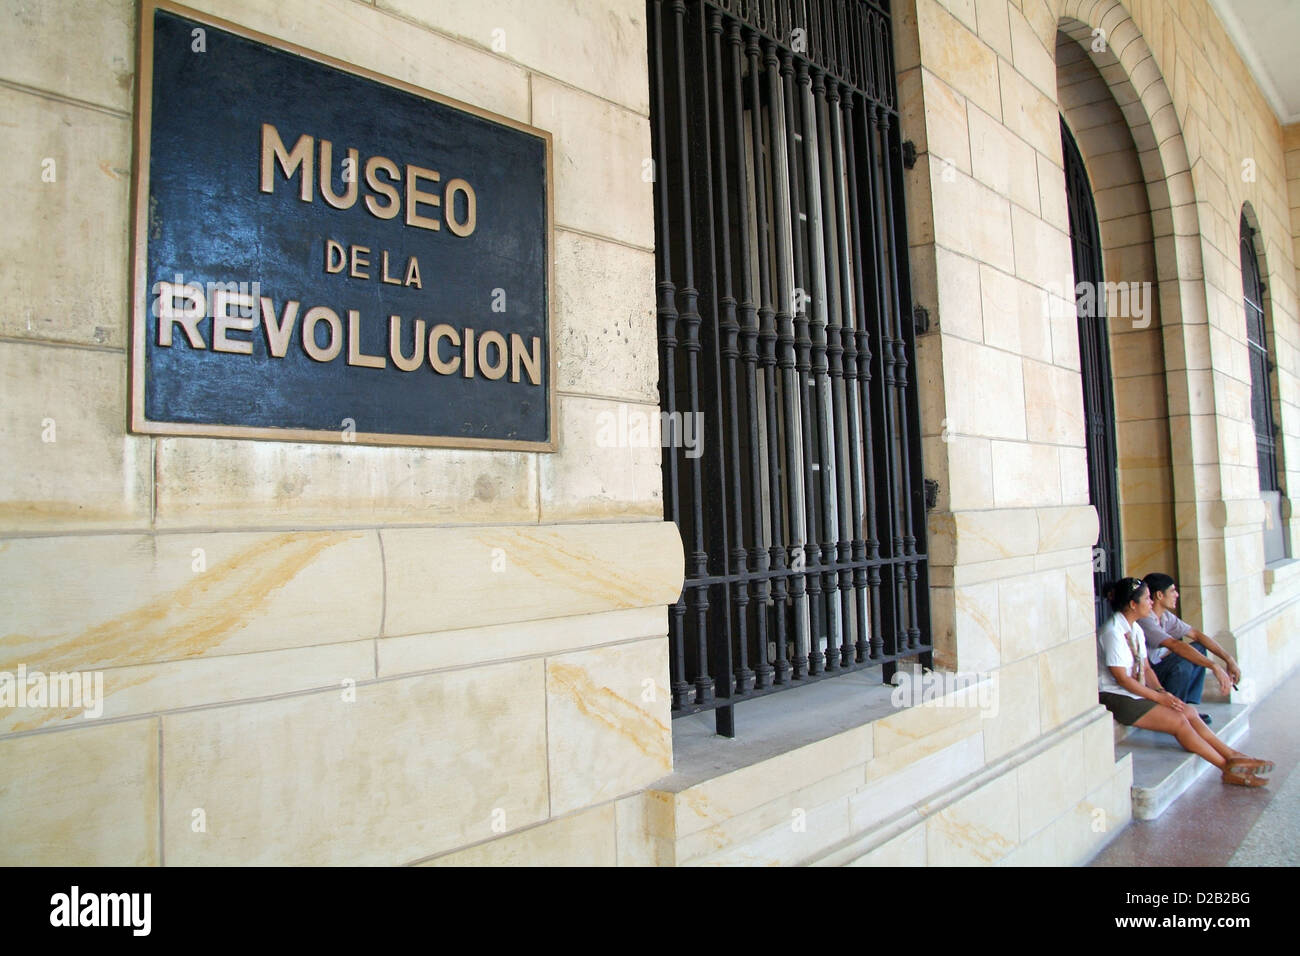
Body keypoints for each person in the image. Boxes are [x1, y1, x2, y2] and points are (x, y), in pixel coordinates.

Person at [1096, 577, 1272, 787]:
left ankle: (1233, 756)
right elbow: (1122, 679)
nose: (1150, 602)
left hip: (1136, 692)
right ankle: (1226, 768)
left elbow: (1146, 668)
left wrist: (1163, 692)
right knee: (1179, 722)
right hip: (1117, 696)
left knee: (1188, 711)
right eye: (1146, 599)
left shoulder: (1134, 629)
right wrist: (1159, 697)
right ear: (1133, 604)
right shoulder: (1113, 631)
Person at [1138, 572, 1242, 723]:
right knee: (1183, 662)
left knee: (1199, 647)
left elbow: (1197, 635)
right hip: (1149, 674)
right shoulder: (1146, 618)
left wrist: (1228, 659)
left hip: (1161, 666)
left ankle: (1186, 707)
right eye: (1172, 591)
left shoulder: (1166, 616)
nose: (1177, 595)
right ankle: (1174, 713)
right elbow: (1174, 645)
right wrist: (1213, 666)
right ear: (1160, 595)